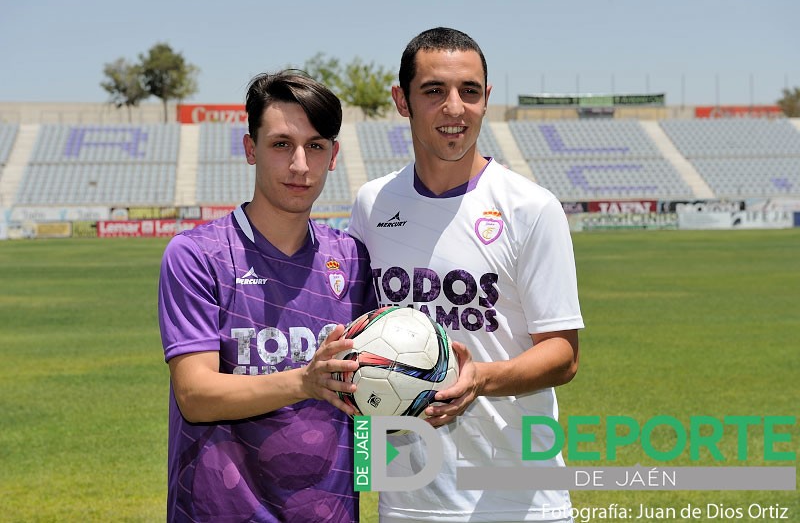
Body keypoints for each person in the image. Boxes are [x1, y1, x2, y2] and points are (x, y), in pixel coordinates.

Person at [348, 27, 584, 522]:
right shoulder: (373, 204)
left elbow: (563, 356)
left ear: (486, 99)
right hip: (406, 500)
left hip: (520, 500)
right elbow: (365, 337)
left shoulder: (531, 208)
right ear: (402, 100)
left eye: (469, 92)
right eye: (434, 91)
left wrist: (478, 378)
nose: (454, 108)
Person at [158, 70, 376, 522]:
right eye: (281, 144)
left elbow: (365, 400)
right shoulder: (198, 255)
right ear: (250, 149)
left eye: (315, 146)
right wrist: (303, 381)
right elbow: (195, 394)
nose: (300, 164)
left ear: (333, 156)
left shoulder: (352, 260)